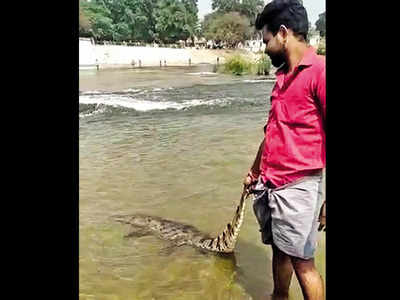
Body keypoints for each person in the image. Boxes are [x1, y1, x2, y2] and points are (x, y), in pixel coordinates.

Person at [243, 1, 326, 299]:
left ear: (282, 33)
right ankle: (279, 296)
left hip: (299, 186)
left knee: (304, 263)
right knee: (280, 250)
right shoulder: (281, 78)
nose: (265, 48)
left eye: (266, 40)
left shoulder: (320, 71)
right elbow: (272, 132)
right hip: (271, 183)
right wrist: (255, 170)